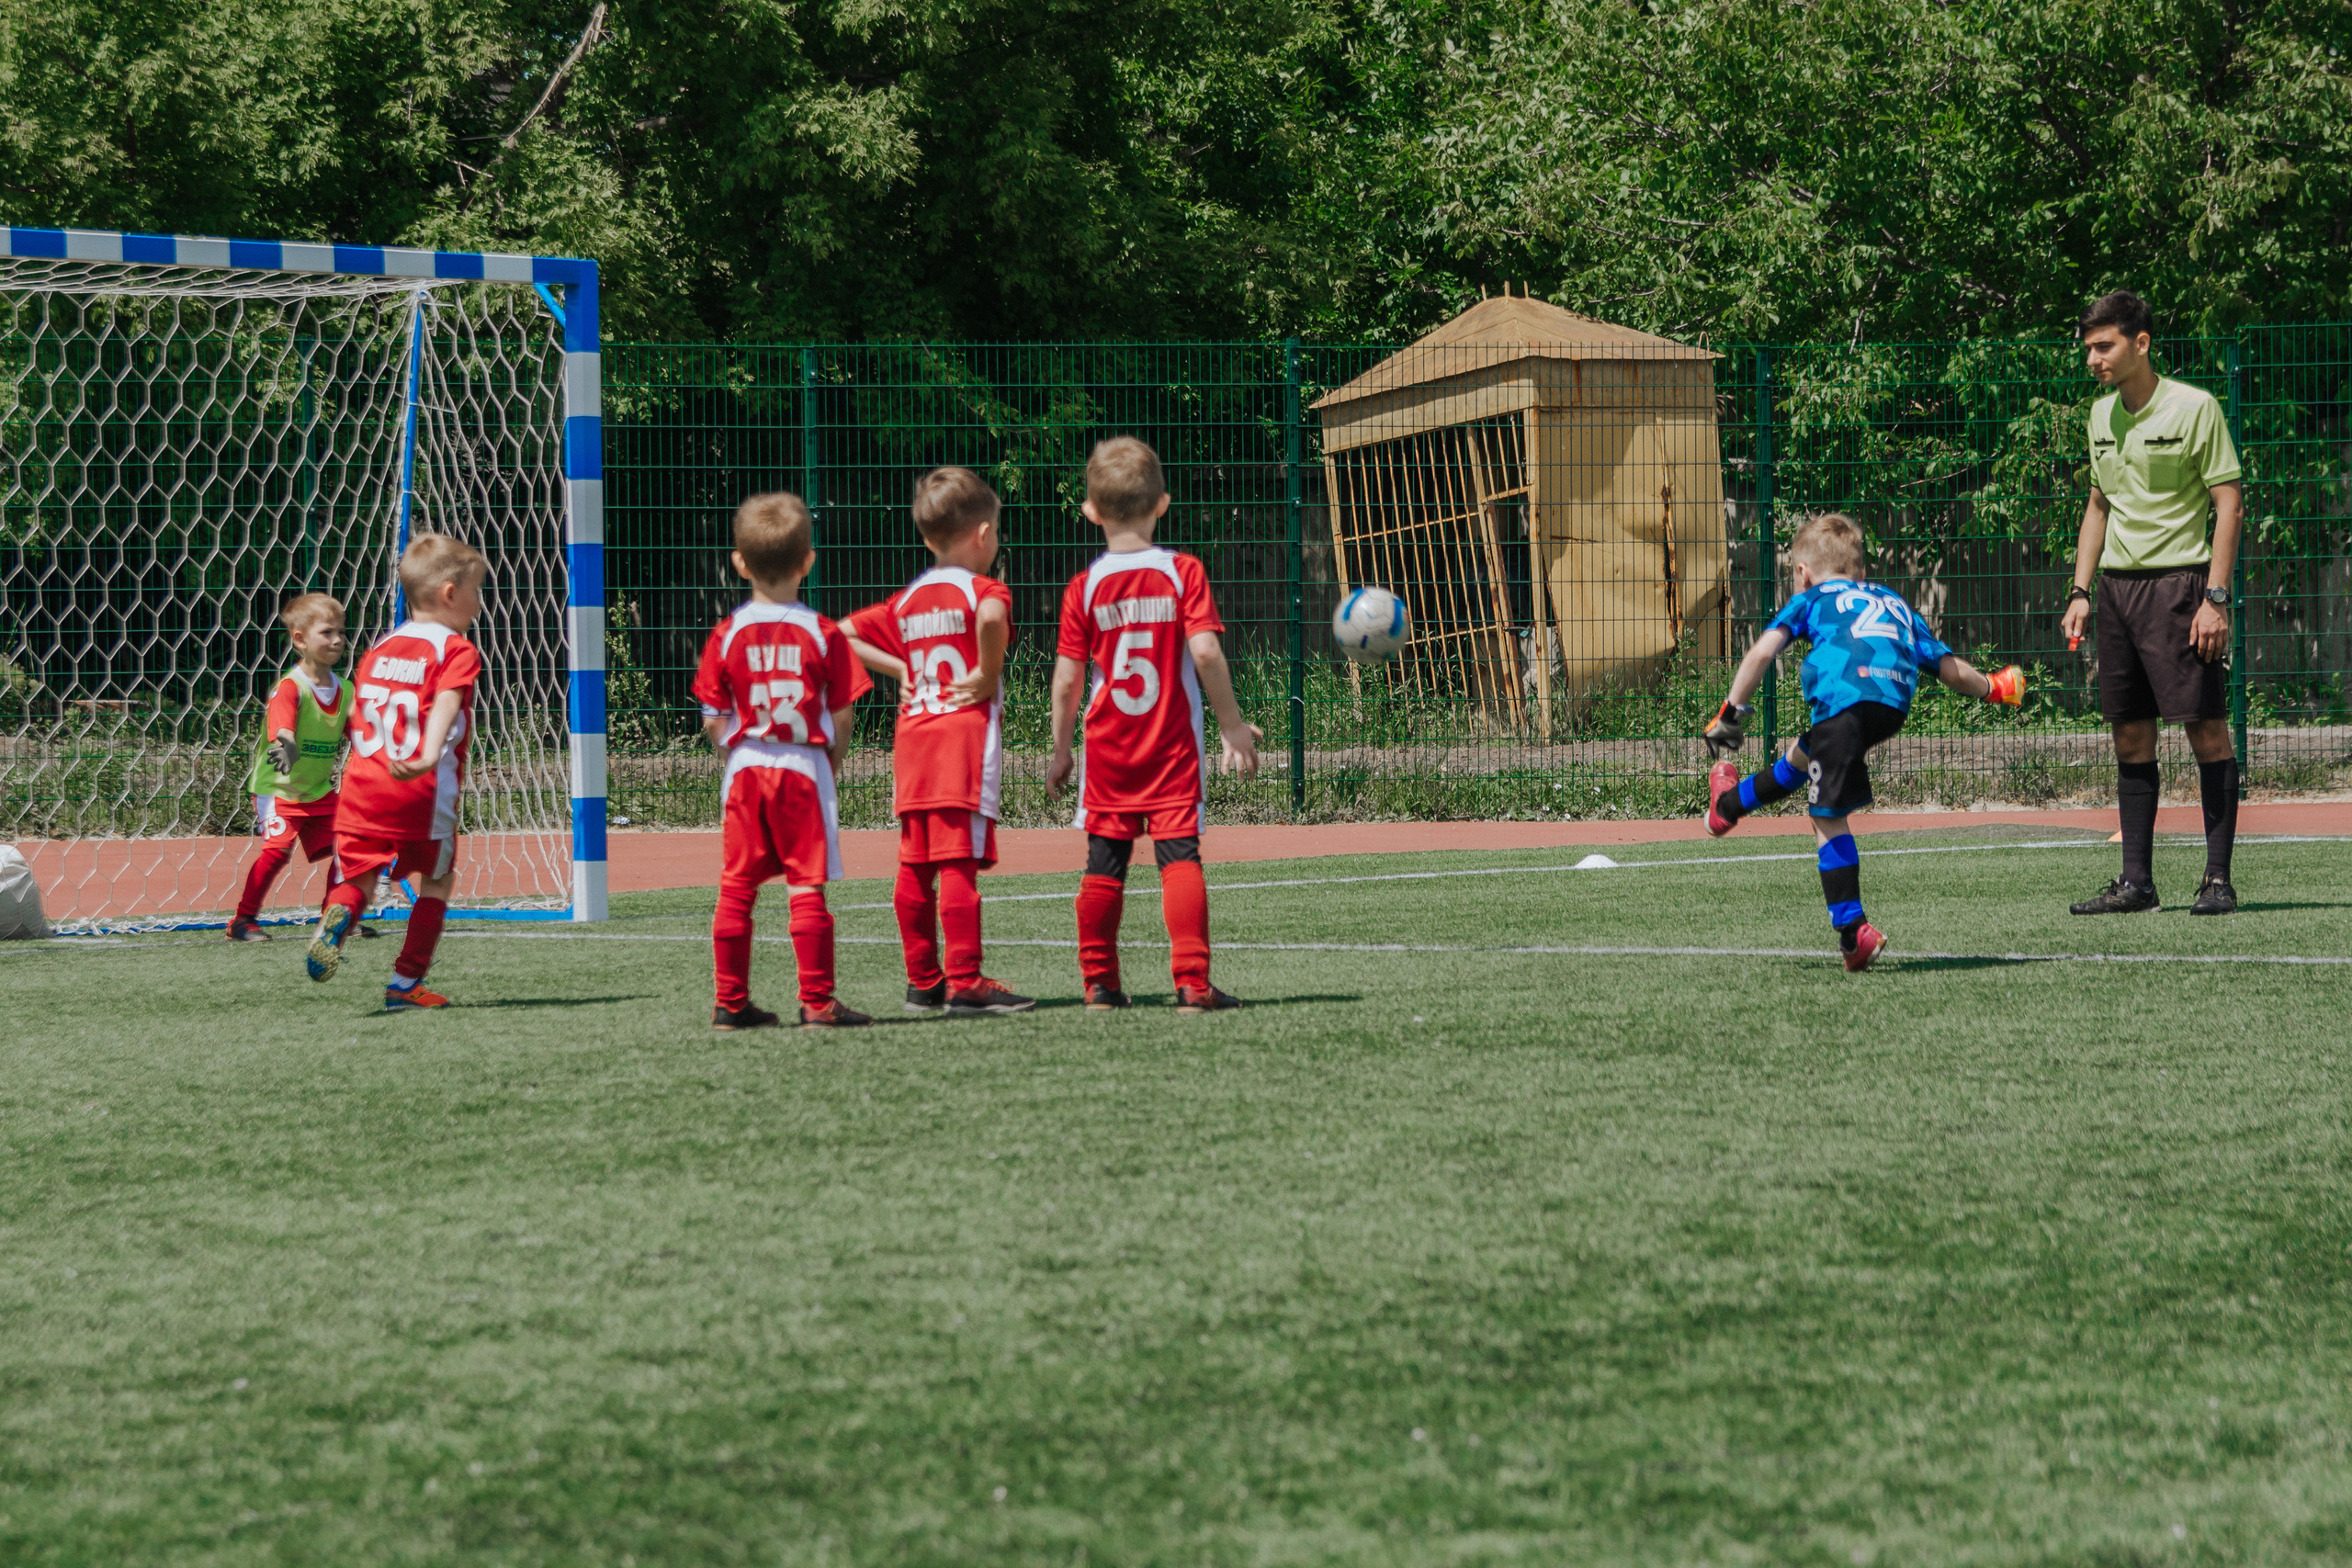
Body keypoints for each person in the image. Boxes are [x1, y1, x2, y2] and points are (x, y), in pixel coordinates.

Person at [1701, 513, 2023, 971]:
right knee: (1801, 760)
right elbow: (1947, 666)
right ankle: (1727, 808)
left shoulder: (1811, 598)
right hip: (1890, 706)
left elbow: (1761, 652)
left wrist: (1731, 714)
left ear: (1802, 573)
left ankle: (1853, 931)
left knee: (1825, 815)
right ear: (1861, 573)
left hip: (1846, 705)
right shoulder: (1893, 601)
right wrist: (1993, 686)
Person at [1047, 436, 1261, 1012]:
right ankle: (1192, 982)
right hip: (1171, 750)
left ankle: (1098, 982)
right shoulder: (1181, 571)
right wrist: (1233, 725)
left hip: (1109, 753)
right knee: (1179, 858)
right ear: (1162, 503)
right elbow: (1208, 654)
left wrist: (1060, 750)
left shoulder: (1083, 587)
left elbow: (1067, 680)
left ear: (1090, 511)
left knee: (1104, 863)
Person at [2060, 290, 2245, 917]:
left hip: (2182, 589)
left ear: (2141, 343)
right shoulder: (2098, 416)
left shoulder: (2197, 407)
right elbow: (2098, 504)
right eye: (2088, 347)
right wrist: (2081, 590)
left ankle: (2217, 880)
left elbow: (2229, 504)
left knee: (2206, 731)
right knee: (2130, 736)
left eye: (2104, 345)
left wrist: (2214, 598)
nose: (2094, 359)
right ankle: (2136, 883)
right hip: (2115, 593)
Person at [842, 467, 1035, 1016]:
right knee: (957, 863)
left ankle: (922, 980)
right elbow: (994, 616)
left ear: (928, 538)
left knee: (914, 864)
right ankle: (966, 981)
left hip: (914, 739)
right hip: (960, 740)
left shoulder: (906, 601)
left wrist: (900, 668)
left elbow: (844, 633)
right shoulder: (984, 589)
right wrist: (988, 671)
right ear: (982, 534)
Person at [694, 491, 870, 1031]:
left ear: (739, 562)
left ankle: (730, 1001)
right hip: (802, 766)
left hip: (746, 767)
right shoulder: (823, 632)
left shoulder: (727, 635)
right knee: (805, 885)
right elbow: (841, 715)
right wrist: (831, 768)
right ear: (808, 561)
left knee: (737, 886)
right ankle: (817, 1002)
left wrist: (739, 749)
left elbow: (711, 717)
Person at [307, 535, 488, 1009]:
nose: (480, 602)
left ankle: (339, 916)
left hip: (364, 785)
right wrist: (428, 754)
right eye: (477, 591)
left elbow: (357, 710)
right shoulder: (456, 649)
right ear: (450, 593)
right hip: (419, 789)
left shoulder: (380, 646)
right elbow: (448, 702)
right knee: (438, 880)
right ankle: (404, 985)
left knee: (361, 878)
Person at [228, 592, 370, 943]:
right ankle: (242, 920)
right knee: (276, 851)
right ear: (300, 639)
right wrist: (287, 745)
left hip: (319, 791)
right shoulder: (291, 687)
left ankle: (333, 917)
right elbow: (283, 729)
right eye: (327, 632)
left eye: (341, 631)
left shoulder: (347, 690)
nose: (337, 639)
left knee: (348, 846)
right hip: (278, 790)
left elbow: (362, 738)